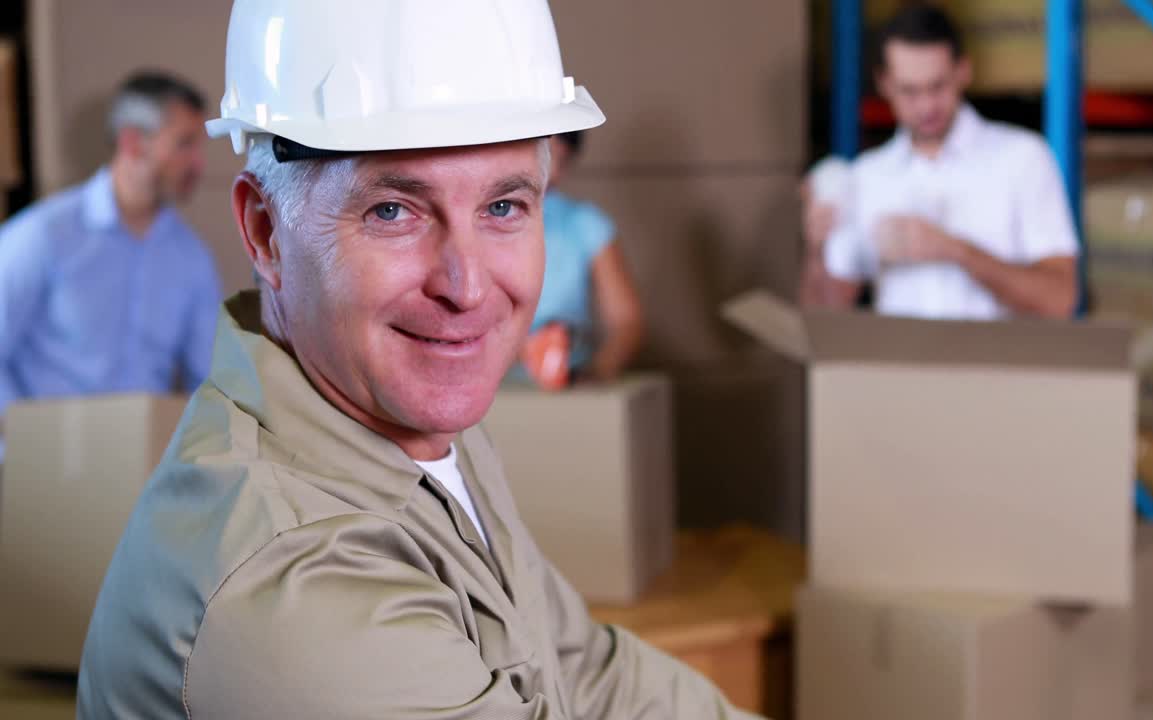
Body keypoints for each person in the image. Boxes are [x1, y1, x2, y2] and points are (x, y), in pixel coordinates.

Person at [77, 2, 760, 718]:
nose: (466, 289)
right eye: (392, 212)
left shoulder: (417, 429)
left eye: (503, 207)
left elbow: (581, 671)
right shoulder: (296, 596)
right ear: (265, 231)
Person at [807, 4, 1079, 320]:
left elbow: (1060, 300)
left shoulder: (1023, 159)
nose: (926, 107)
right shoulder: (867, 176)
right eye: (909, 91)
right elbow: (824, 317)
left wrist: (954, 251)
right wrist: (817, 249)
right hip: (899, 366)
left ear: (963, 71)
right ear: (884, 84)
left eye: (937, 87)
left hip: (997, 366)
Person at [0, 71, 220, 453]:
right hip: (44, 468)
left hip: (145, 473)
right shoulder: (42, 236)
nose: (198, 163)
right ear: (134, 142)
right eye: (185, 144)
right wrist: (20, 444)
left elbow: (212, 380)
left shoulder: (192, 258)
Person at [521, 131, 644, 385]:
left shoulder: (584, 224)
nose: (549, 167)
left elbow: (626, 321)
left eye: (558, 157)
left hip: (563, 378)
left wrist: (596, 373)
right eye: (540, 152)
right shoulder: (481, 216)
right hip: (486, 380)